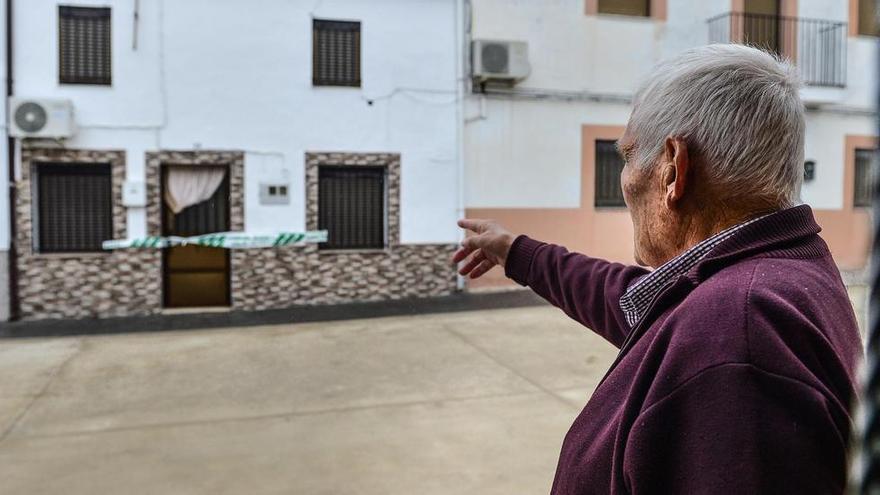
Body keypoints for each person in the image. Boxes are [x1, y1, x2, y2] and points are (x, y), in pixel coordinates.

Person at [454, 44, 863, 494]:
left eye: (627, 156)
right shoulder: (772, 278)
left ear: (673, 170)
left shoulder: (736, 332)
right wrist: (516, 252)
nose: (625, 178)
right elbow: (641, 304)